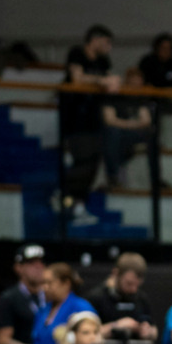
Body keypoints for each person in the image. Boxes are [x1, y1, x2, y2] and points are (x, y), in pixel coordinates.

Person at [61, 24, 121, 223]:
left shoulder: (103, 61)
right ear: (94, 40)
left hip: (94, 119)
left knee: (93, 163)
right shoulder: (77, 53)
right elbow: (77, 79)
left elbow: (110, 82)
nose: (109, 47)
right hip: (76, 118)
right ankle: (64, 195)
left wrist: (111, 82)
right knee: (83, 160)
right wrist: (102, 81)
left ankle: (78, 205)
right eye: (106, 42)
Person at [33, 263, 96, 344]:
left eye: (49, 283)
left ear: (66, 284)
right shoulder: (43, 311)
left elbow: (93, 341)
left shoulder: (81, 307)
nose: (44, 287)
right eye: (43, 283)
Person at [101, 67, 157, 188]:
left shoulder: (141, 98)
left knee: (151, 134)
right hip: (118, 132)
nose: (135, 86)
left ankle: (156, 179)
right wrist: (132, 124)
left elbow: (146, 120)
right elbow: (109, 120)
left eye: (138, 83)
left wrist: (130, 125)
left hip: (132, 133)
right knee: (113, 133)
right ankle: (113, 176)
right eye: (132, 83)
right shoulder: (115, 96)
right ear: (127, 82)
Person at [0, 244, 46, 344]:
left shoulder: (50, 295)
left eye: (41, 262)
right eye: (31, 263)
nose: (38, 266)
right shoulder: (8, 298)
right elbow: (3, 341)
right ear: (18, 268)